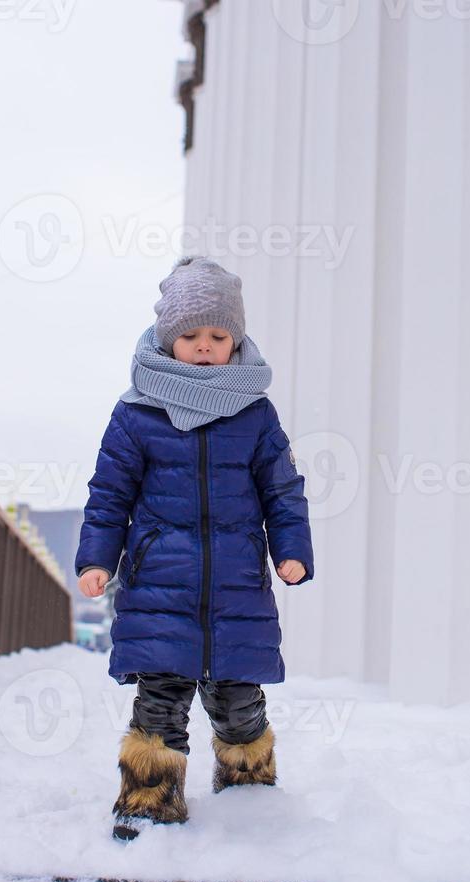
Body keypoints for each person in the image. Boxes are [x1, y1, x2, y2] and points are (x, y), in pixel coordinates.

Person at [75, 255, 314, 841]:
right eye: (190, 335)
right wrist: (98, 558)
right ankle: (149, 799)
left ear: (235, 339)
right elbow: (110, 493)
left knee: (239, 699)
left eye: (217, 334)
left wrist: (292, 550)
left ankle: (248, 791)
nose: (204, 346)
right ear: (167, 338)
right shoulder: (136, 413)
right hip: (160, 582)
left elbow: (282, 489)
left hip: (235, 586)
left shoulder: (255, 413)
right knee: (160, 697)